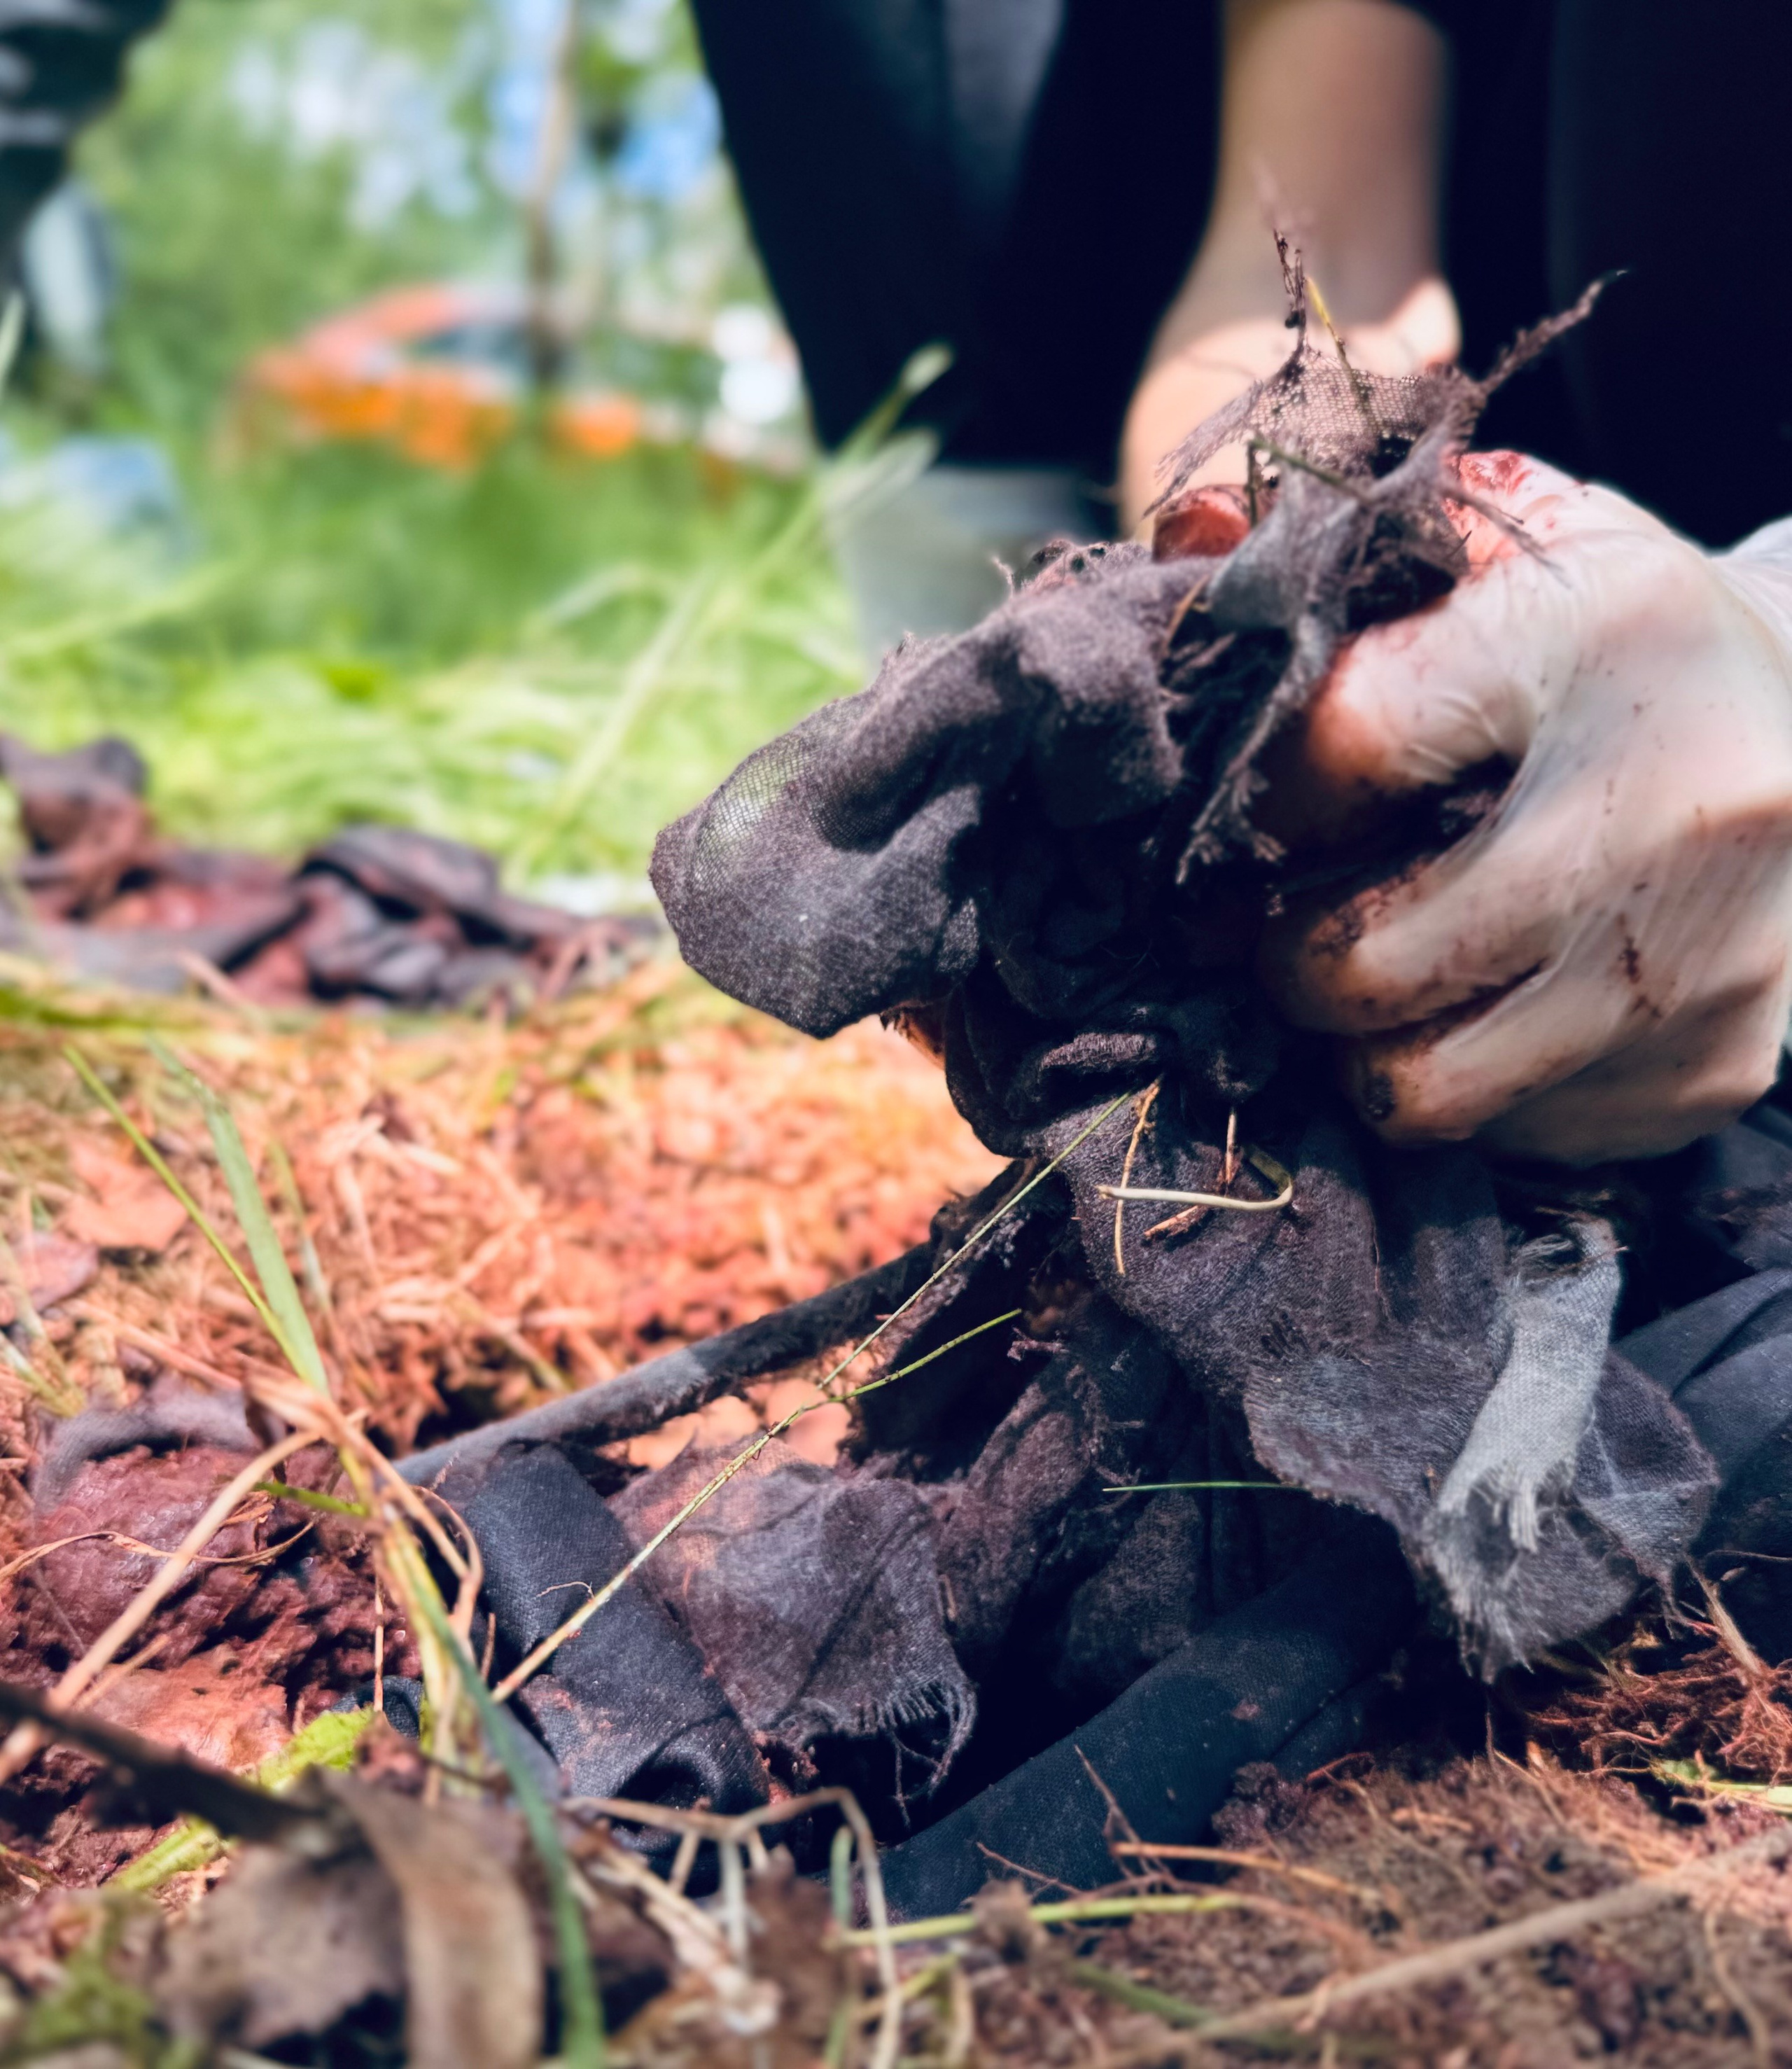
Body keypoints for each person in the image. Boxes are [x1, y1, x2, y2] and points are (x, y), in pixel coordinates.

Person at [691, 0, 1792, 1168]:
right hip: (1493, 509)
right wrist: (1231, 581)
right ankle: (1046, 963)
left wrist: (1768, 635)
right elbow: (1316, 257)